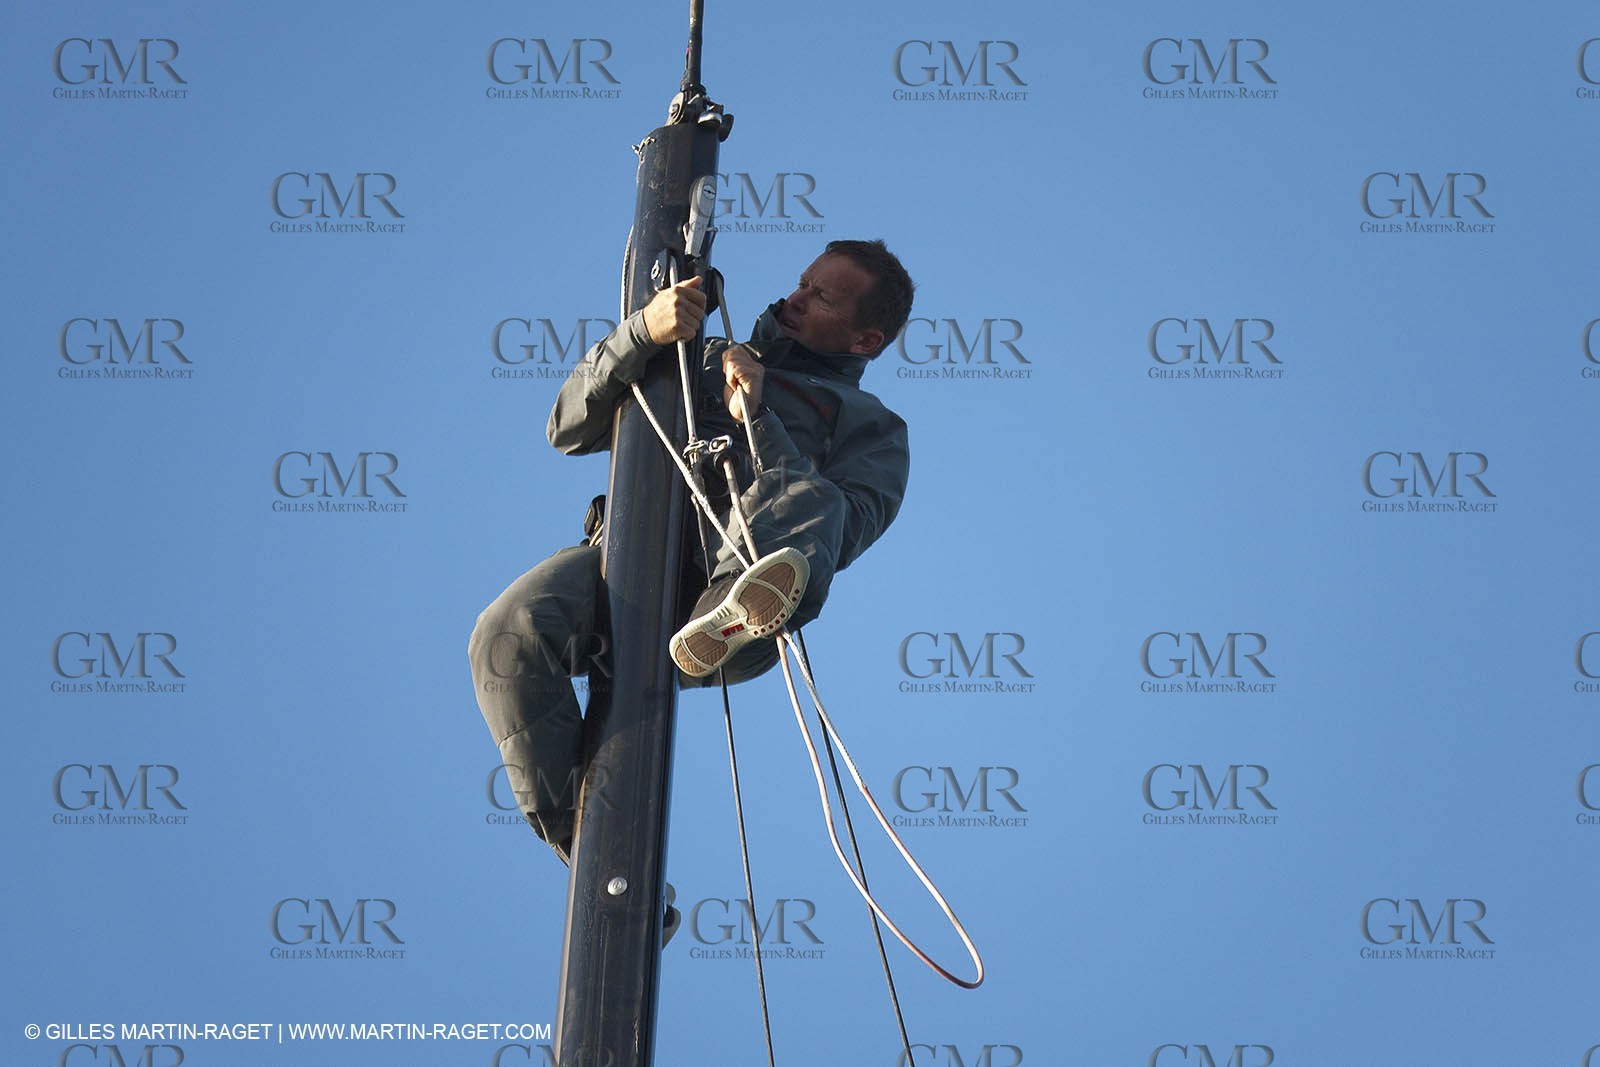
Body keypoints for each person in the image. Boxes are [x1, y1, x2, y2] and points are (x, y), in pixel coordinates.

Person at [469, 239, 914, 864]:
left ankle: (732, 608)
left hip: (740, 591)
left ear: (865, 340)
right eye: (804, 282)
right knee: (507, 630)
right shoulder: (696, 352)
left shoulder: (871, 425)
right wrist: (643, 333)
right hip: (624, 559)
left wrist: (759, 417)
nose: (796, 299)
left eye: (823, 298)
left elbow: (848, 527)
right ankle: (587, 847)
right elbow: (567, 427)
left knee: (815, 498)